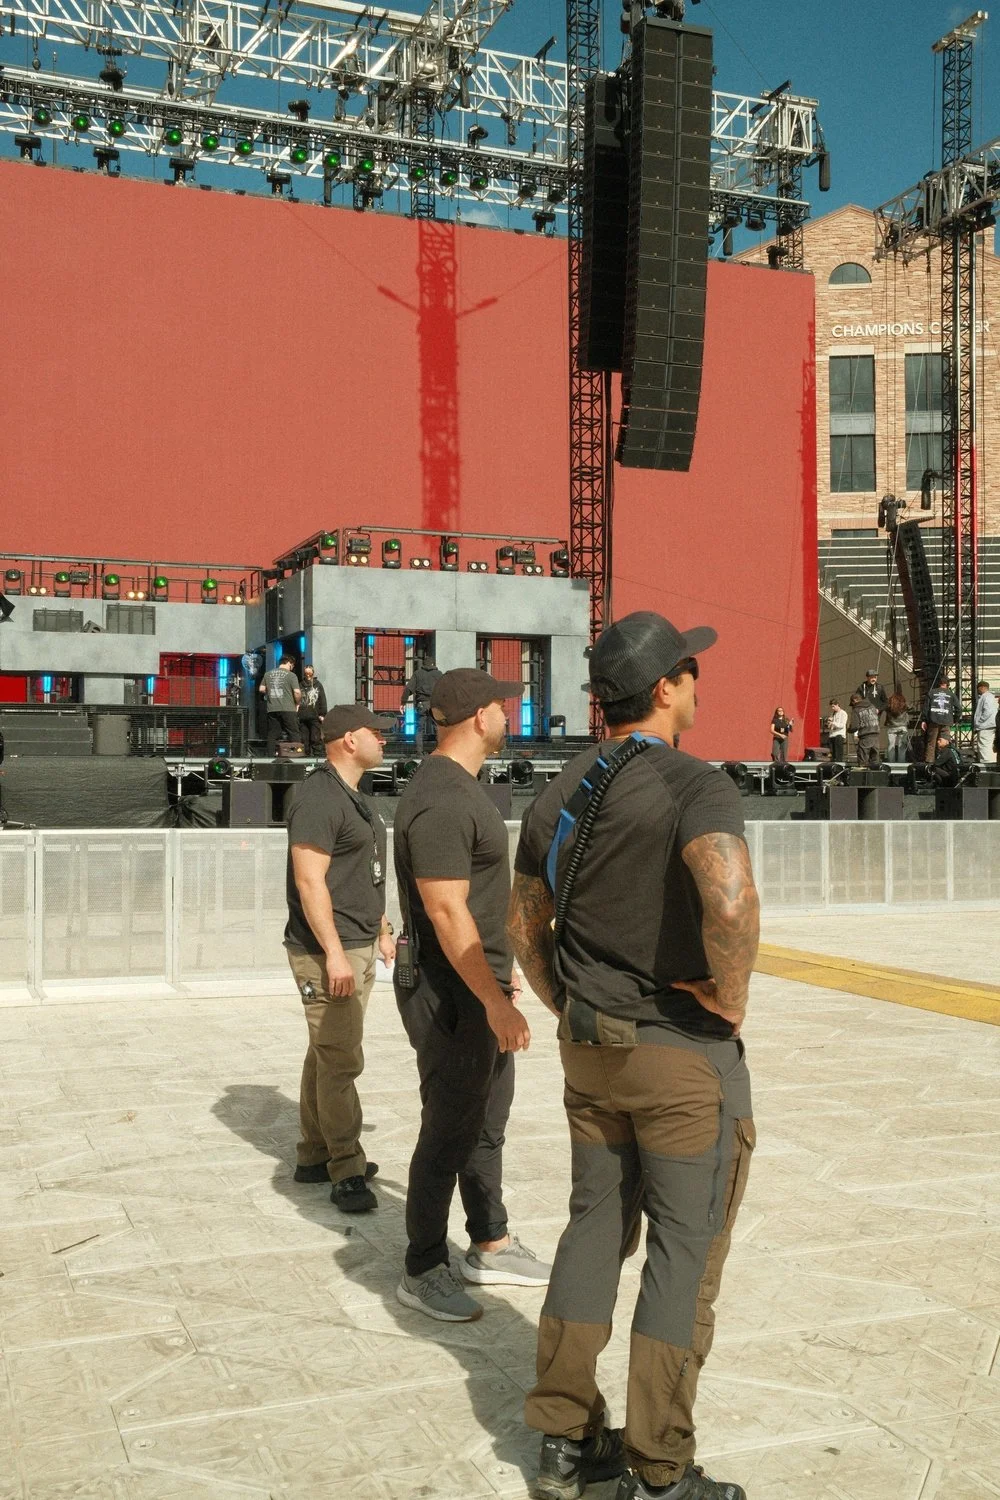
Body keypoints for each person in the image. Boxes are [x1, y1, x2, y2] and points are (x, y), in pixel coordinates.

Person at [508, 610, 758, 1500]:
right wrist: (728, 1000)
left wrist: (566, 1002)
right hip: (679, 1059)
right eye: (691, 670)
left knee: (592, 1229)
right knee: (680, 1254)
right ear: (663, 688)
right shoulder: (696, 785)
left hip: (590, 1055)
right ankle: (661, 1466)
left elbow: (525, 923)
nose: (698, 683)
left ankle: (566, 1436)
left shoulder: (557, 792)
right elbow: (728, 903)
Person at [393, 667, 551, 1323]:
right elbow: (445, 911)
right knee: (449, 1131)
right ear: (480, 716)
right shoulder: (443, 799)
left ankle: (489, 1241)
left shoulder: (462, 790)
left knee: (487, 1123)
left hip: (478, 984)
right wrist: (492, 999)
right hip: (453, 994)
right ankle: (424, 1266)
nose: (509, 717)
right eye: (503, 707)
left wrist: (500, 980)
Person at [284, 704, 396, 1211]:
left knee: (326, 1051)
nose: (385, 740)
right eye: (377, 733)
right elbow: (310, 882)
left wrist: (381, 927)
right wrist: (333, 954)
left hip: (356, 942)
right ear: (349, 740)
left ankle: (314, 1152)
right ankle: (345, 1167)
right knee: (341, 1059)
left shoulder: (354, 797)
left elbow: (361, 872)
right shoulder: (316, 797)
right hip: (328, 949)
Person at [401, 655, 443, 755]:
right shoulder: (439, 674)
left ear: (423, 664)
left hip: (422, 704)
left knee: (419, 728)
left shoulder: (418, 674)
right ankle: (439, 751)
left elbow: (408, 689)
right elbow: (444, 689)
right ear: (434, 664)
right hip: (434, 705)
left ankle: (419, 751)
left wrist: (403, 702)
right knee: (439, 728)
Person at [259, 657, 302, 756]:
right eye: (292, 665)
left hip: (272, 708)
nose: (292, 667)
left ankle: (270, 756)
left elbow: (261, 689)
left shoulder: (268, 674)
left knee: (273, 733)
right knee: (293, 732)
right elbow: (297, 692)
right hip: (288, 708)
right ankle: (297, 756)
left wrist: (270, 693)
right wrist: (297, 703)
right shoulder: (291, 675)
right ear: (289, 663)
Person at [921, 673, 962, 763]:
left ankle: (929, 763)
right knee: (945, 743)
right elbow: (959, 708)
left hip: (933, 720)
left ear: (938, 683)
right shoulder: (951, 694)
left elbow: (926, 708)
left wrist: (924, 720)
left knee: (931, 743)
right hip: (947, 721)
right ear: (947, 684)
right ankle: (944, 762)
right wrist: (955, 719)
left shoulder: (931, 692)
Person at [298, 665, 329, 756]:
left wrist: (323, 713)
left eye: (309, 674)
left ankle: (318, 756)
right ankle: (305, 756)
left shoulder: (318, 685)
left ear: (313, 673)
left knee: (315, 738)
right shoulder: (300, 685)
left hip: (315, 715)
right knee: (304, 739)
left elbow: (322, 699)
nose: (308, 676)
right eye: (306, 673)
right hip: (302, 715)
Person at [850, 693, 880, 766]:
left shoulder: (856, 709)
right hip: (876, 737)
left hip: (865, 737)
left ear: (855, 700)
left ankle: (863, 776)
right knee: (875, 762)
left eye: (852, 703)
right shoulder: (872, 706)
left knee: (863, 762)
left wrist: (849, 730)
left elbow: (854, 726)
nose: (852, 705)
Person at [974, 680, 997, 764]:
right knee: (988, 746)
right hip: (990, 725)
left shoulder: (986, 697)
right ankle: (991, 763)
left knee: (984, 746)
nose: (978, 691)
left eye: (978, 688)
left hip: (985, 726)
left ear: (982, 687)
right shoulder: (991, 697)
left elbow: (988, 711)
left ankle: (986, 764)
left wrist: (979, 722)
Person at [884, 692, 911, 763]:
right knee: (901, 746)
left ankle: (891, 763)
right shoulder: (904, 705)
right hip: (902, 727)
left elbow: (884, 706)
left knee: (891, 745)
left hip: (891, 727)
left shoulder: (889, 706)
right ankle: (901, 762)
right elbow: (911, 706)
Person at [825, 698, 847, 763]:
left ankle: (839, 764)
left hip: (839, 735)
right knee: (832, 753)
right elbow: (831, 726)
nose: (832, 708)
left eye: (833, 706)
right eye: (831, 707)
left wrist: (833, 723)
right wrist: (829, 723)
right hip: (832, 735)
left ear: (837, 705)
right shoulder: (832, 714)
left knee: (838, 754)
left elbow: (842, 725)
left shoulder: (843, 713)